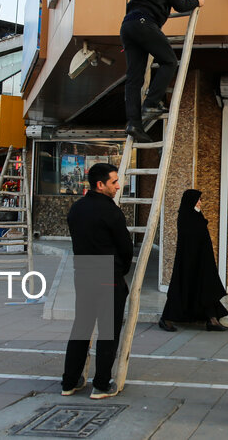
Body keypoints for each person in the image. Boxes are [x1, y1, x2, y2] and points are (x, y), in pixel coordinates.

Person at [60, 163, 133, 400]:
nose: (118, 186)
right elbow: (125, 248)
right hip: (107, 276)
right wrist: (119, 270)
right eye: (113, 182)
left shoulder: (76, 209)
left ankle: (69, 382)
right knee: (108, 332)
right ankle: (101, 384)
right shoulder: (111, 211)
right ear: (100, 184)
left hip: (82, 274)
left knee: (81, 328)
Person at [120, 0, 204, 143]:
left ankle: (134, 123)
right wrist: (197, 1)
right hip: (144, 22)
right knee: (169, 61)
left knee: (134, 78)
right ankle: (152, 102)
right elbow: (181, 5)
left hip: (128, 25)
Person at [158, 189, 228, 332]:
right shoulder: (186, 216)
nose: (200, 202)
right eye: (198, 200)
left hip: (201, 261)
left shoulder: (195, 215)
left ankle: (212, 319)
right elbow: (191, 239)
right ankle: (166, 319)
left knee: (206, 288)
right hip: (189, 262)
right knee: (182, 288)